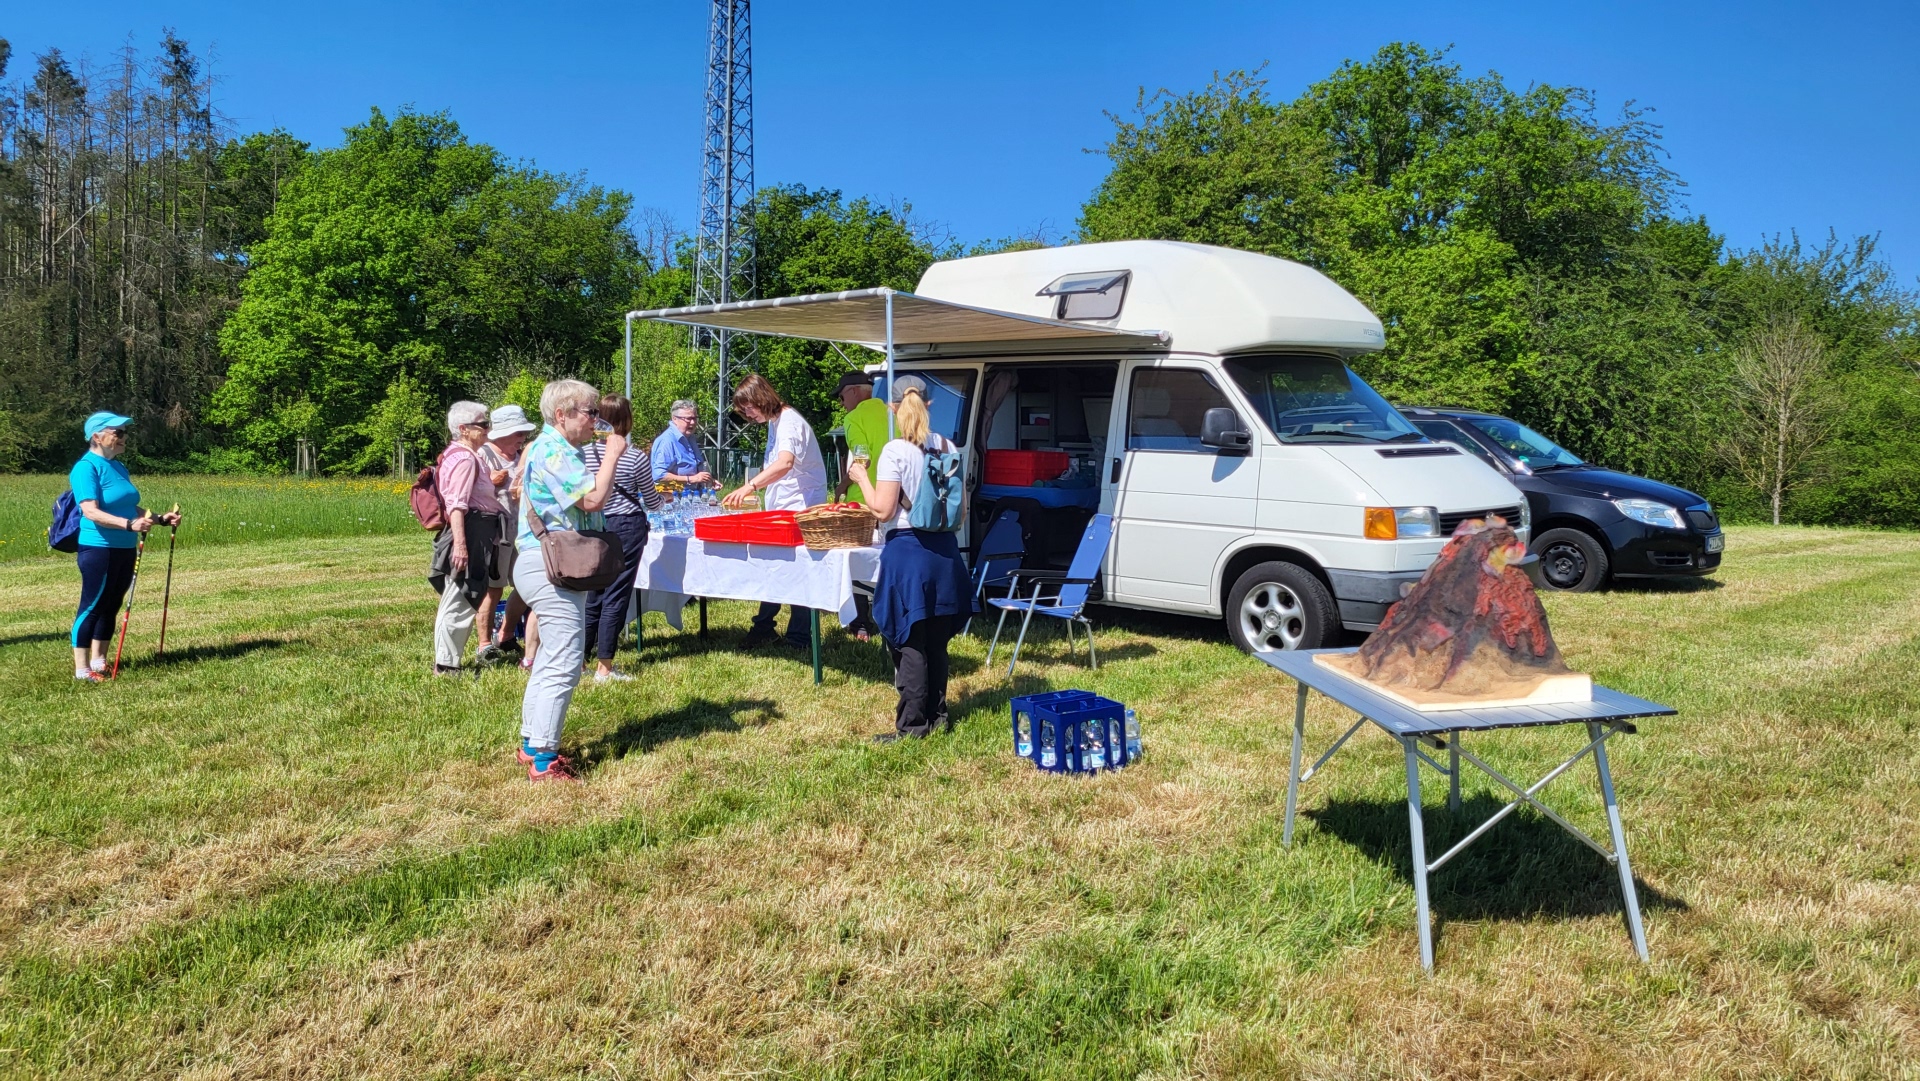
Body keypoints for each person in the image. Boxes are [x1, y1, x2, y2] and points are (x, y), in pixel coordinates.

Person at [512, 379, 628, 782]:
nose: (596, 420)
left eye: (596, 412)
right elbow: (593, 499)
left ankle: (531, 744)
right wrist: (613, 454)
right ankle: (545, 759)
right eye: (589, 412)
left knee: (551, 655)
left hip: (549, 561)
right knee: (565, 659)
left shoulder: (555, 449)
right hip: (550, 563)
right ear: (561, 415)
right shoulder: (554, 450)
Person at [846, 376, 973, 741]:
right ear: (929, 404)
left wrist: (860, 478)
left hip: (908, 553)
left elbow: (883, 511)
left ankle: (912, 726)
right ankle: (938, 716)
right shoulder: (949, 447)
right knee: (935, 640)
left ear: (893, 406)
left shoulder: (894, 451)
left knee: (909, 640)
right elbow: (960, 513)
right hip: (945, 553)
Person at [67, 412, 182, 682]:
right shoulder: (86, 468)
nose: (124, 437)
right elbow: (91, 512)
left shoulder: (118, 467)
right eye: (117, 432)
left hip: (124, 546)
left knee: (112, 604)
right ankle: (82, 670)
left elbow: (130, 507)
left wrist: (160, 519)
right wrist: (129, 525)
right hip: (98, 547)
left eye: (124, 432)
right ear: (97, 436)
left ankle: (99, 660)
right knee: (93, 605)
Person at [722, 374, 829, 648]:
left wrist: (750, 487)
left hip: (800, 508)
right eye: (743, 410)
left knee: (797, 571)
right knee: (776, 568)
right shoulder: (776, 421)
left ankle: (799, 637)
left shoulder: (789, 422)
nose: (747, 415)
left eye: (749, 408)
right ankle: (765, 626)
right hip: (786, 508)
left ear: (761, 398)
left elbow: (785, 463)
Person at [581, 394, 665, 682]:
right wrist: (662, 502)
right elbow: (651, 501)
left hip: (594, 524)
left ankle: (580, 659)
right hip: (626, 526)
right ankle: (604, 666)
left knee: (593, 594)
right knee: (616, 595)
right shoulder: (634, 456)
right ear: (627, 420)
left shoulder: (586, 453)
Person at [428, 402, 505, 675]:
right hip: (471, 529)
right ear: (463, 430)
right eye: (482, 425)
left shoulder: (464, 455)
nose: (487, 429)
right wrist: (461, 545)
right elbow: (457, 505)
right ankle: (446, 665)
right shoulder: (463, 459)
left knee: (463, 594)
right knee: (460, 595)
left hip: (476, 529)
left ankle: (448, 660)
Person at [830, 370, 889, 641]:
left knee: (855, 563)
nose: (842, 404)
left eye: (842, 397)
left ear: (854, 391)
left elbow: (861, 458)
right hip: (894, 497)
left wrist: (843, 485)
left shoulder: (854, 417)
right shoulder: (892, 412)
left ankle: (860, 623)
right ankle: (890, 616)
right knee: (886, 562)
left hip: (864, 501)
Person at [476, 404, 537, 663]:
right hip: (496, 531)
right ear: (501, 434)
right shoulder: (484, 455)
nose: (521, 437)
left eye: (523, 432)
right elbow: (470, 493)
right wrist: (491, 483)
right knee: (494, 589)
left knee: (528, 585)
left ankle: (507, 633)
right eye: (517, 433)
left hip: (521, 531)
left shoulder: (522, 455)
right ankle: (484, 644)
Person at [651, 399, 714, 487]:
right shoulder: (667, 441)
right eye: (688, 419)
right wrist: (691, 479)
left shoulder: (690, 438)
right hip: (673, 498)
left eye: (695, 418)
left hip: (692, 497)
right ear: (674, 419)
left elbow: (696, 473)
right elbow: (659, 475)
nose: (693, 422)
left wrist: (710, 481)